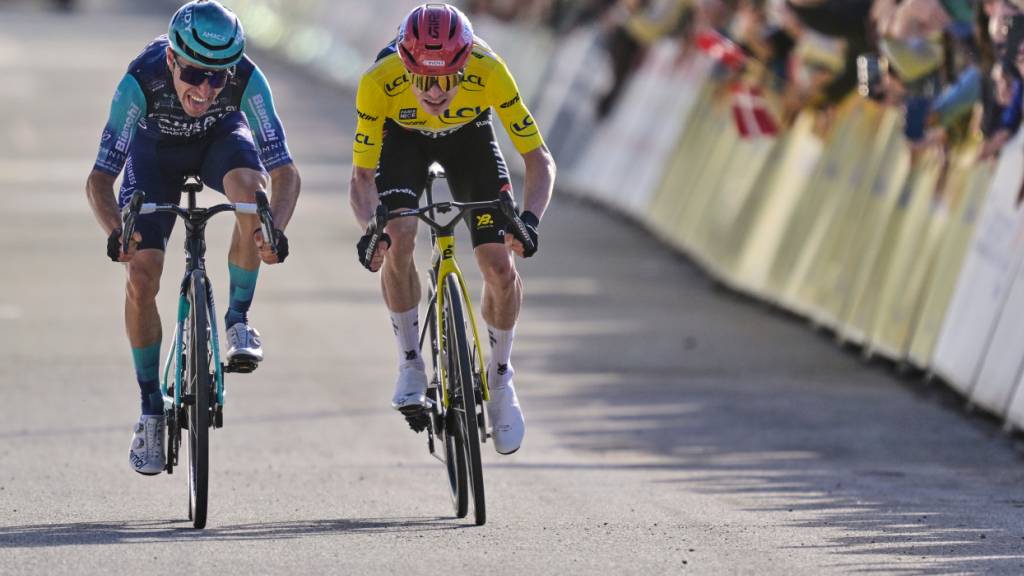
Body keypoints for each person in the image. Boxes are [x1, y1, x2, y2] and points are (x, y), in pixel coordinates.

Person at [85, 0, 301, 475]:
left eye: (218, 77)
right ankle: (149, 410)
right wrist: (115, 233)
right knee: (142, 275)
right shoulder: (140, 81)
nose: (205, 88)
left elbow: (285, 171)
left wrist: (274, 230)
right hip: (155, 155)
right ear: (171, 61)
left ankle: (238, 320)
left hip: (220, 142)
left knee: (252, 196)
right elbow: (100, 180)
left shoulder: (247, 78)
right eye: (195, 74)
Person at [350, 3, 556, 455]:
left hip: (469, 139)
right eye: (424, 80)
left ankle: (501, 377)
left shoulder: (490, 69)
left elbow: (538, 158)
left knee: (499, 266)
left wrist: (530, 221)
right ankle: (410, 363)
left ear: (466, 66)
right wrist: (371, 229)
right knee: (398, 235)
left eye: (448, 79)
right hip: (401, 139)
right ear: (406, 69)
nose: (437, 92)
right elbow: (362, 179)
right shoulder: (378, 81)